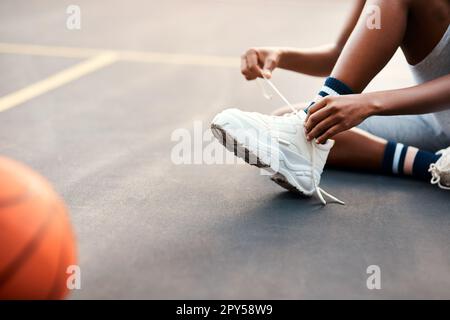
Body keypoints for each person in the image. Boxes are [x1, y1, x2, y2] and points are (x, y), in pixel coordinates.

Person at [210, 0, 450, 204]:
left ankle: (301, 138)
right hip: (437, 121)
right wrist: (281, 55)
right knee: (302, 124)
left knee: (306, 130)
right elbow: (341, 54)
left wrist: (370, 103)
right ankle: (435, 164)